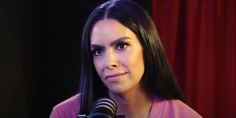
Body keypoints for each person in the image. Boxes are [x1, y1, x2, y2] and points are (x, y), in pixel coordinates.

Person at [50, 0, 202, 118]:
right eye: (98, 51)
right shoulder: (64, 113)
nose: (109, 63)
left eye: (121, 46)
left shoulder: (183, 115)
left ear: (147, 47)